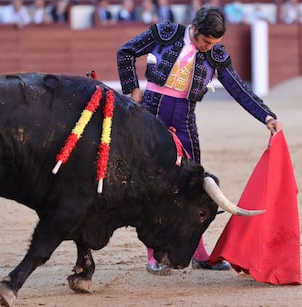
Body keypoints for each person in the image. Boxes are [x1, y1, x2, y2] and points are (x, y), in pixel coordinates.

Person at [117, 5, 282, 275]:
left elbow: (238, 88)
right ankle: (154, 254)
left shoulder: (215, 53)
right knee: (151, 184)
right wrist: (132, 89)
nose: (208, 47)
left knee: (194, 185)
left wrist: (266, 116)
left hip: (184, 118)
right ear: (194, 30)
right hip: (151, 113)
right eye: (205, 41)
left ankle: (199, 252)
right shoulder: (166, 33)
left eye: (214, 43)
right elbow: (125, 52)